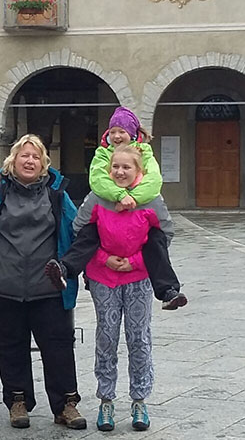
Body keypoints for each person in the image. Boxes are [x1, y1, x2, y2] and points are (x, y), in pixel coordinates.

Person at [0, 134, 87, 430]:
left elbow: (78, 232)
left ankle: (65, 404)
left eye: (36, 156)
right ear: (13, 160)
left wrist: (75, 267)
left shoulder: (57, 195)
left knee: (58, 348)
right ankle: (17, 401)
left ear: (44, 163)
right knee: (10, 348)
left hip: (49, 288)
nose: (30, 161)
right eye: (24, 155)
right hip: (4, 287)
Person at [46, 106, 187, 310]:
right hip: (107, 224)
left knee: (156, 239)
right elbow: (97, 179)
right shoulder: (102, 154)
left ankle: (168, 291)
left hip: (138, 233)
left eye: (122, 131)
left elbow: (154, 181)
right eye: (113, 131)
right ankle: (65, 269)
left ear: (133, 134)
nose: (117, 136)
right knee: (88, 233)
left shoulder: (145, 154)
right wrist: (120, 195)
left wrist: (133, 198)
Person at [67, 145, 160, 432]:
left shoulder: (151, 199)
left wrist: (135, 262)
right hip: (103, 276)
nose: (120, 172)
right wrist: (103, 258)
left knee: (139, 337)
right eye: (115, 167)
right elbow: (79, 231)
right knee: (106, 336)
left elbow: (164, 236)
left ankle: (139, 399)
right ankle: (106, 399)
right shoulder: (97, 197)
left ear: (138, 171)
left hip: (138, 277)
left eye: (126, 167)